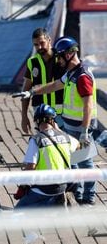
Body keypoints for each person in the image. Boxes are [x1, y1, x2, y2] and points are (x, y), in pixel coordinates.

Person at [14, 36, 97, 205]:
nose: (57, 60)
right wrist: (32, 93)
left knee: (86, 163)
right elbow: (55, 85)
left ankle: (89, 198)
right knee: (72, 162)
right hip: (70, 124)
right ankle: (77, 193)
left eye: (59, 56)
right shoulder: (72, 73)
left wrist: (84, 131)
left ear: (68, 55)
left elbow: (88, 105)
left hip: (81, 126)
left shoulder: (82, 77)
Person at [15, 104, 79, 209]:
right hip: (62, 186)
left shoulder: (36, 140)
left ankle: (49, 206)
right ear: (53, 121)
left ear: (37, 121)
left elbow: (31, 167)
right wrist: (59, 130)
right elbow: (78, 145)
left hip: (43, 188)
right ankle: (56, 202)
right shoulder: (65, 137)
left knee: (19, 210)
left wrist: (23, 186)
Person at [20, 28, 65, 134]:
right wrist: (24, 116)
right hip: (41, 116)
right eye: (36, 45)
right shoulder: (32, 62)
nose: (39, 47)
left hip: (62, 114)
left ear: (49, 40)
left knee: (64, 146)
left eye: (42, 43)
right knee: (45, 146)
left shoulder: (62, 59)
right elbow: (25, 90)